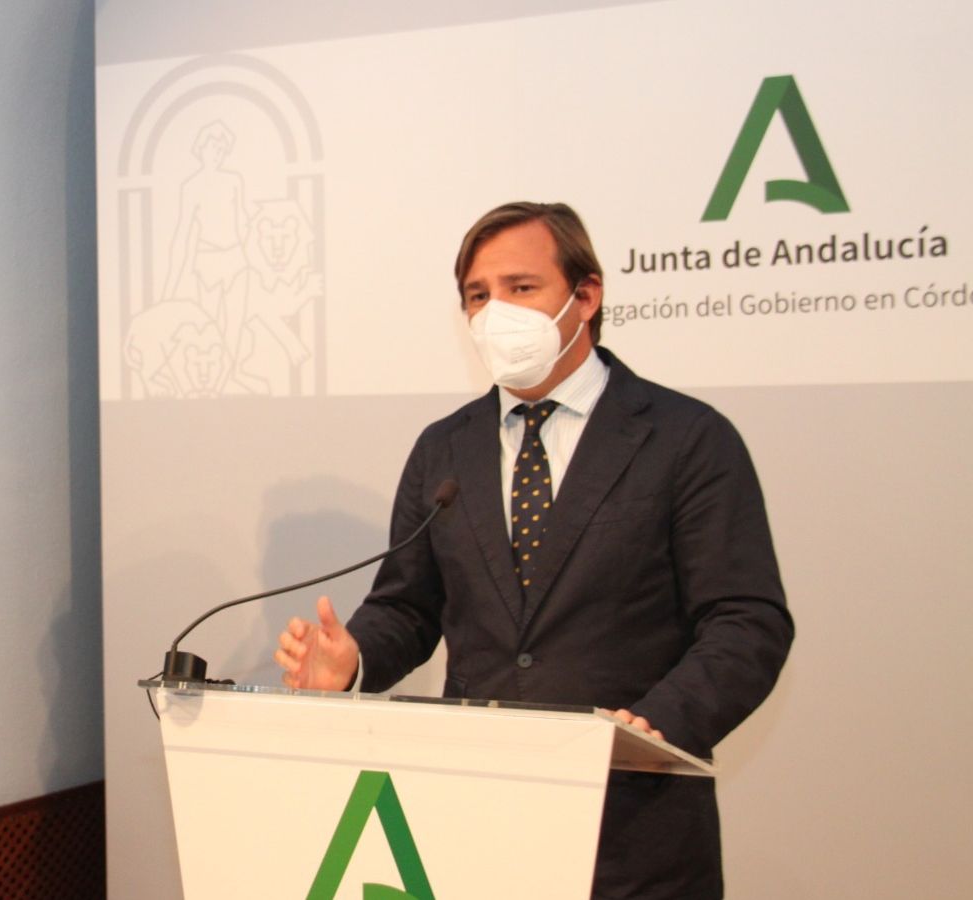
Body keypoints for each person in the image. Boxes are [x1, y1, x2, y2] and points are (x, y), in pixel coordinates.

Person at [274, 202, 793, 900]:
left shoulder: (687, 438)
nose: (496, 314)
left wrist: (655, 723)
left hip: (633, 831)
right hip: (474, 819)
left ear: (586, 295)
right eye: (477, 297)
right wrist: (354, 659)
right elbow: (409, 605)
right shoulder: (445, 448)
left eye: (521, 289)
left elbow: (746, 621)